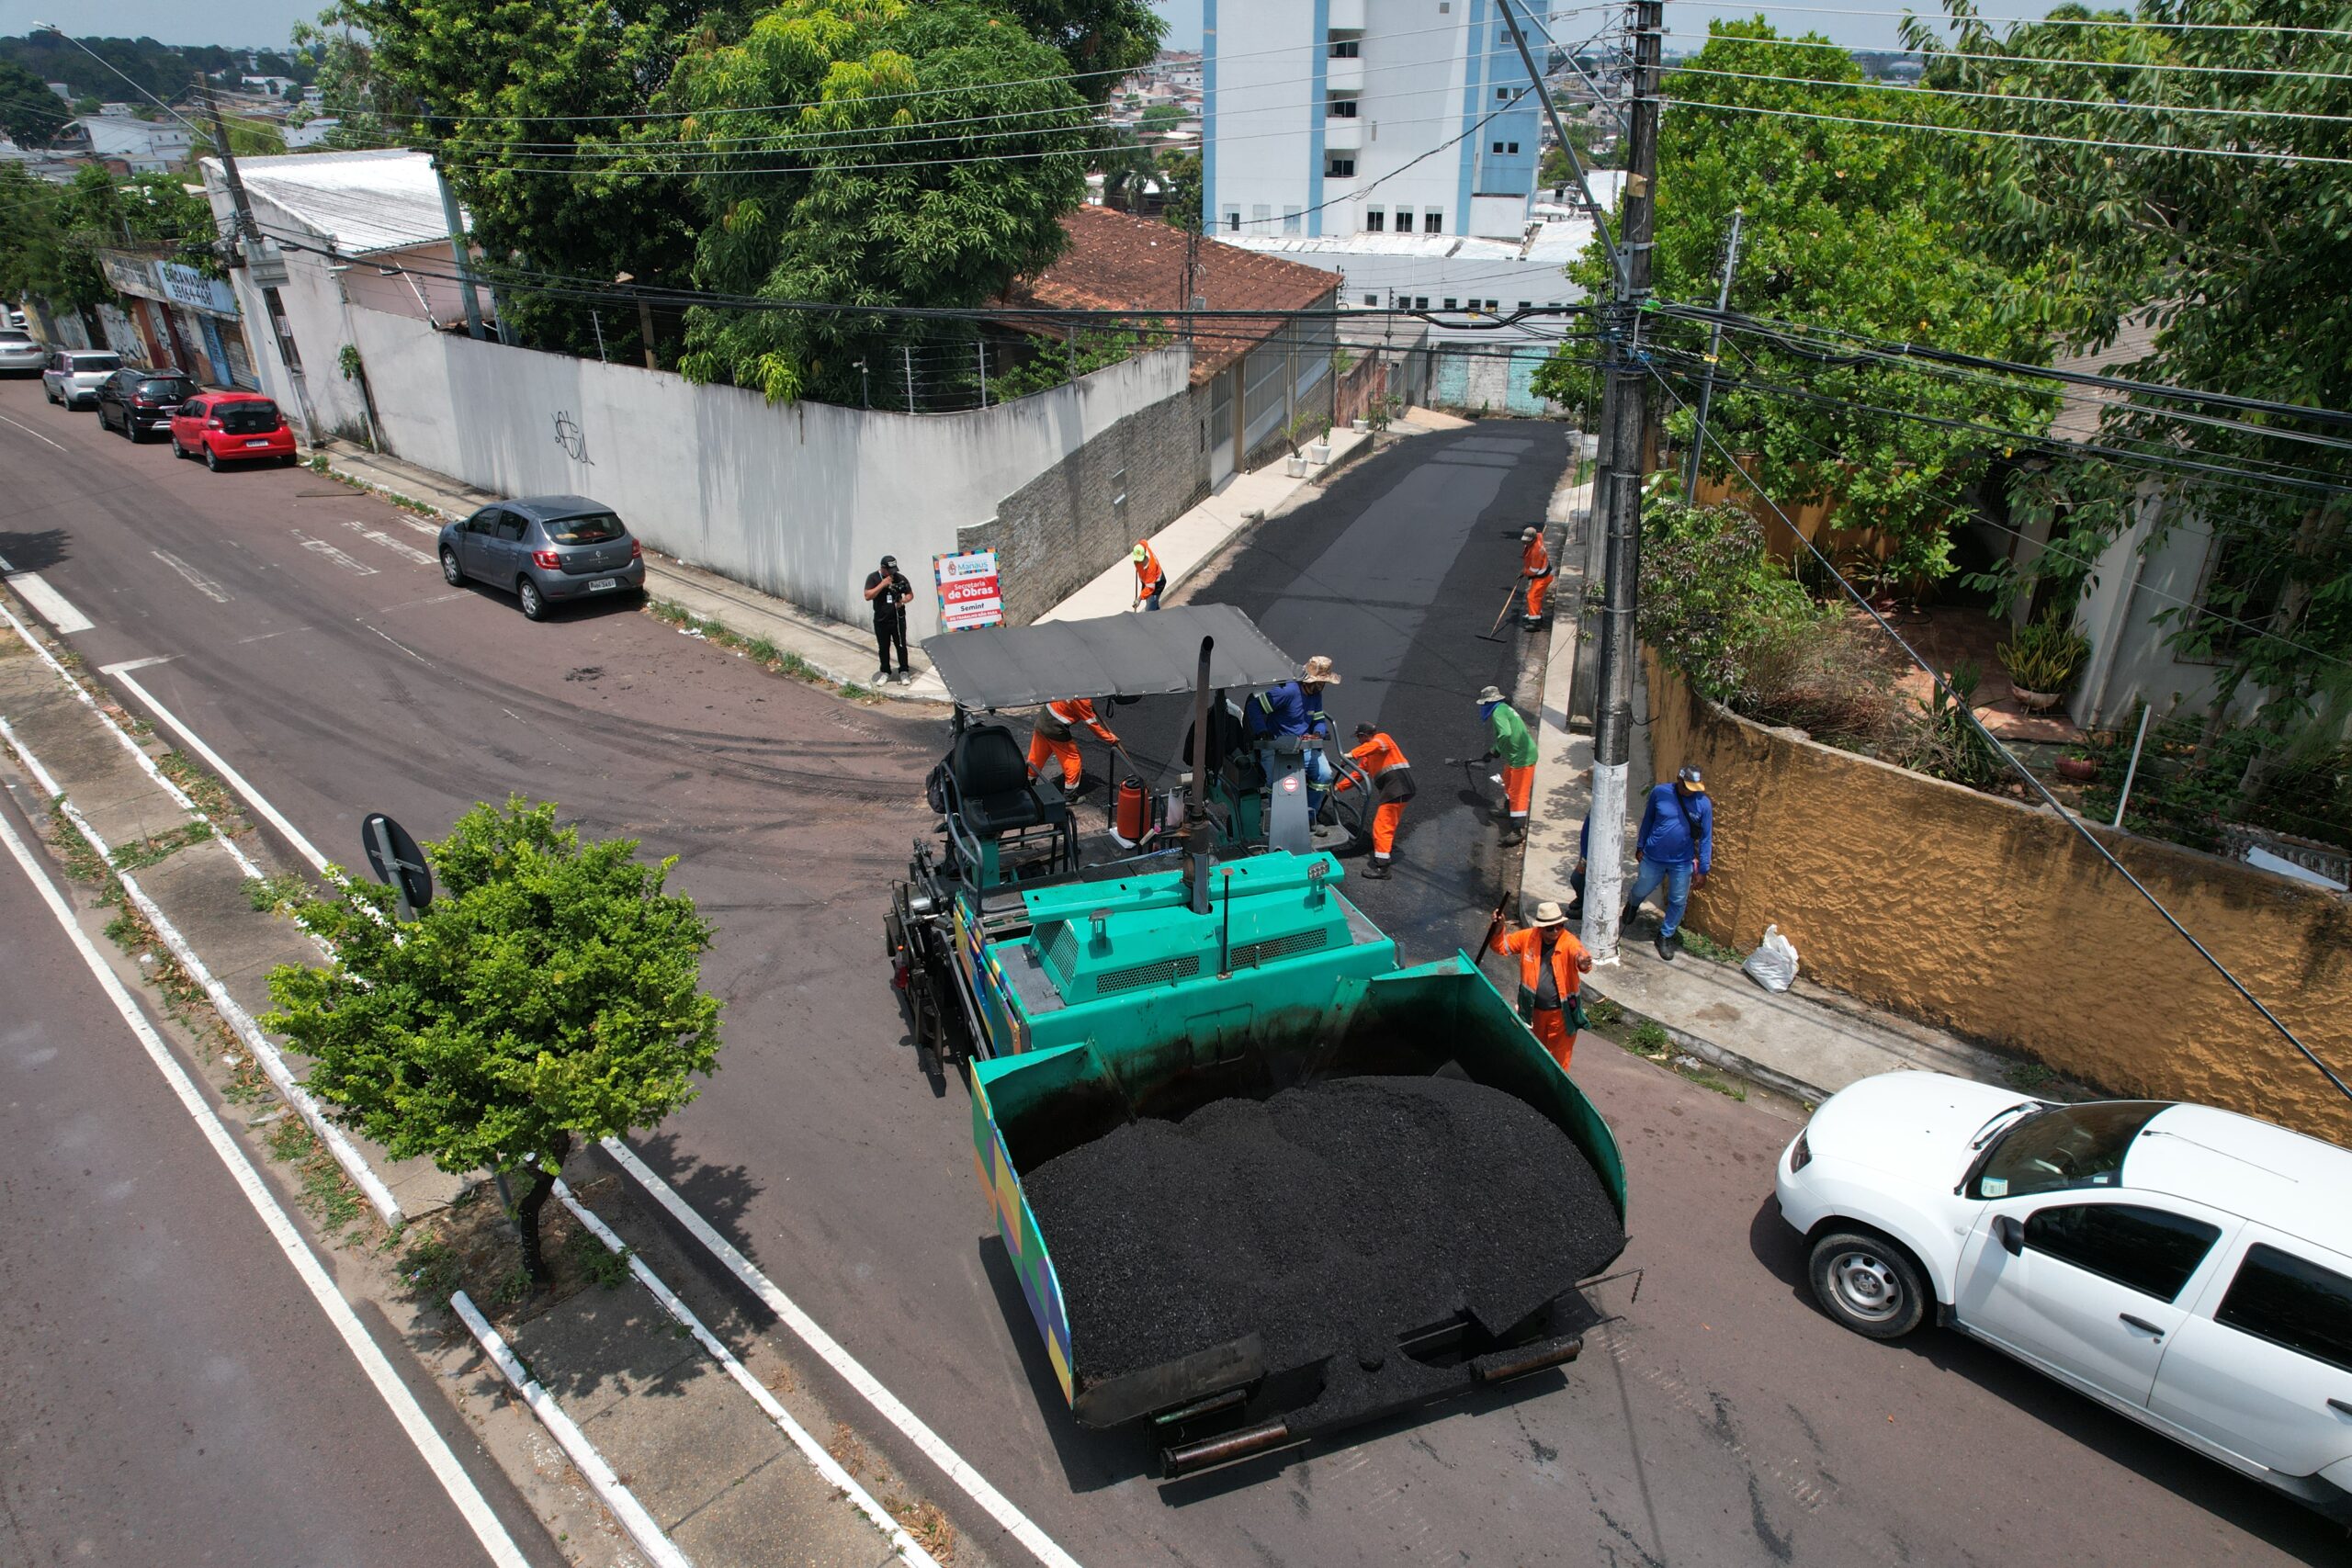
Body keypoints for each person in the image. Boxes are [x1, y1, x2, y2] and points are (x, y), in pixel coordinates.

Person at [1488, 900, 1592, 1071]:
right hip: (1535, 1011)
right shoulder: (1528, 937)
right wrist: (1498, 928)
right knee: (1539, 1053)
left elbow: (1580, 957)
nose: (1556, 931)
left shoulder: (1569, 942)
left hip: (1561, 1015)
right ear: (1540, 928)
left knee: (1559, 1059)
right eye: (1550, 928)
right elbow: (1500, 947)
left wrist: (1583, 961)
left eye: (1559, 926)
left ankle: (1557, 1091)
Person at [1625, 765, 1714, 962]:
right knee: (1642, 887)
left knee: (1678, 900)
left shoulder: (1704, 804)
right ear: (1679, 779)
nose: (1691, 791)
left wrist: (1704, 869)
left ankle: (1665, 935)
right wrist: (1640, 845)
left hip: (1682, 862)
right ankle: (1632, 904)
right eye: (1687, 786)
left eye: (1694, 788)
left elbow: (1707, 838)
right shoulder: (1660, 792)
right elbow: (1648, 819)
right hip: (1653, 856)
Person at [1247, 655, 1341, 810]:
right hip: (1276, 749)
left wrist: (1317, 733)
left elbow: (1318, 719)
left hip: (1304, 749)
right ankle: (1276, 817)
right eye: (1321, 682)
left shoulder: (1316, 696)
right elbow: (1254, 707)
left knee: (1324, 775)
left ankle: (1309, 817)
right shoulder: (1287, 692)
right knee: (1275, 782)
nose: (1322, 686)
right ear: (1310, 680)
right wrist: (1262, 731)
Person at [1333, 722, 1414, 879]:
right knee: (1386, 824)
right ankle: (1385, 850)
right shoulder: (1369, 757)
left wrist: (1352, 754)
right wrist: (1338, 787)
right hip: (1396, 789)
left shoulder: (1382, 739)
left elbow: (1374, 745)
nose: (1358, 741)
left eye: (1358, 737)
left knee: (1382, 826)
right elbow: (1357, 774)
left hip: (1398, 787)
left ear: (1364, 735)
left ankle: (1382, 868)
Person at [1476, 684, 1537, 843]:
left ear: (1487, 703)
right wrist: (1496, 750)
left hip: (1523, 758)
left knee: (1519, 792)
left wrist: (1495, 750)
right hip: (1514, 757)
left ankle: (1517, 830)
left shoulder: (1497, 713)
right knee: (1509, 782)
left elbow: (1506, 734)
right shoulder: (1503, 708)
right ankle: (1508, 810)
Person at [1028, 696, 1119, 795]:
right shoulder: (1083, 700)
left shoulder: (1072, 686)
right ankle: (1070, 795)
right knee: (1073, 758)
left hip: (1042, 720)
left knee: (1038, 755)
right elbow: (1092, 724)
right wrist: (1111, 738)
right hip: (1055, 728)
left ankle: (1028, 782)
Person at [862, 554, 913, 683]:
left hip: (898, 619)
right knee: (883, 647)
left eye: (894, 571)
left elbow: (910, 594)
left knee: (901, 646)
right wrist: (882, 584)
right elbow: (867, 596)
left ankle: (904, 671)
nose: (892, 574)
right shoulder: (873, 578)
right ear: (882, 568)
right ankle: (885, 671)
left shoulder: (899, 578)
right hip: (881, 620)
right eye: (889, 571)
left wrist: (903, 601)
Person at [1519, 525, 1555, 629]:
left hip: (1543, 577)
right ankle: (1535, 614)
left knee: (1532, 596)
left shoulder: (1536, 552)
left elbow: (1533, 571)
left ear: (1533, 540)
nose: (1525, 543)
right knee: (1536, 596)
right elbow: (1539, 534)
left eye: (1528, 541)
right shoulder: (1538, 536)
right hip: (1542, 575)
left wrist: (1524, 572)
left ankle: (1535, 622)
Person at [1131, 539, 1166, 612]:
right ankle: (1158, 614)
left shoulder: (1150, 568)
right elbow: (1143, 541)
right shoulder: (1142, 547)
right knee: (1153, 606)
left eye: (1139, 560)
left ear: (1144, 556)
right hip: (1147, 582)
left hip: (1156, 584)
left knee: (1149, 610)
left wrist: (1139, 599)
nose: (1137, 562)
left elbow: (1150, 588)